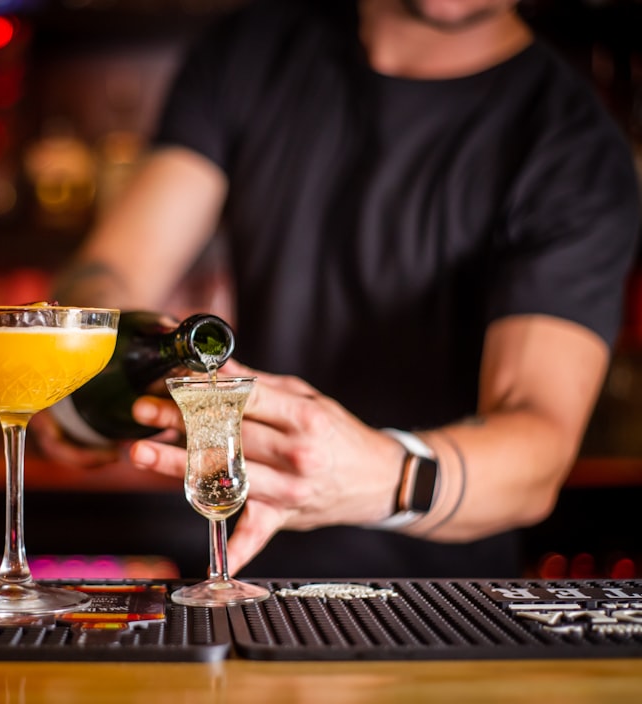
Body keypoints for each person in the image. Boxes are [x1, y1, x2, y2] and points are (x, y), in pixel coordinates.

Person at [36, 0, 642, 578]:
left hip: (441, 609)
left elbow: (537, 450)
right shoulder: (254, 50)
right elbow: (114, 266)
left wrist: (383, 476)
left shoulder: (574, 149)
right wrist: (68, 361)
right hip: (252, 581)